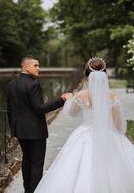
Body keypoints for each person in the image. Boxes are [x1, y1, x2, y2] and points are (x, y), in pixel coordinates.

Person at [34, 57, 134, 193]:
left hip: (84, 134)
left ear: (86, 76)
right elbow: (118, 125)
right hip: (108, 135)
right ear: (104, 75)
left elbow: (72, 114)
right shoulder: (112, 97)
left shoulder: (80, 95)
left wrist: (72, 100)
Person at [6, 56, 71, 193]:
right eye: (35, 65)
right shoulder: (33, 84)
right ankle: (35, 191)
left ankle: (27, 190)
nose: (38, 68)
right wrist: (61, 99)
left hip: (20, 131)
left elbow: (10, 111)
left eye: (38, 65)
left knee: (27, 160)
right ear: (26, 67)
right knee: (36, 164)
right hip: (35, 132)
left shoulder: (10, 85)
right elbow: (40, 108)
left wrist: (14, 132)